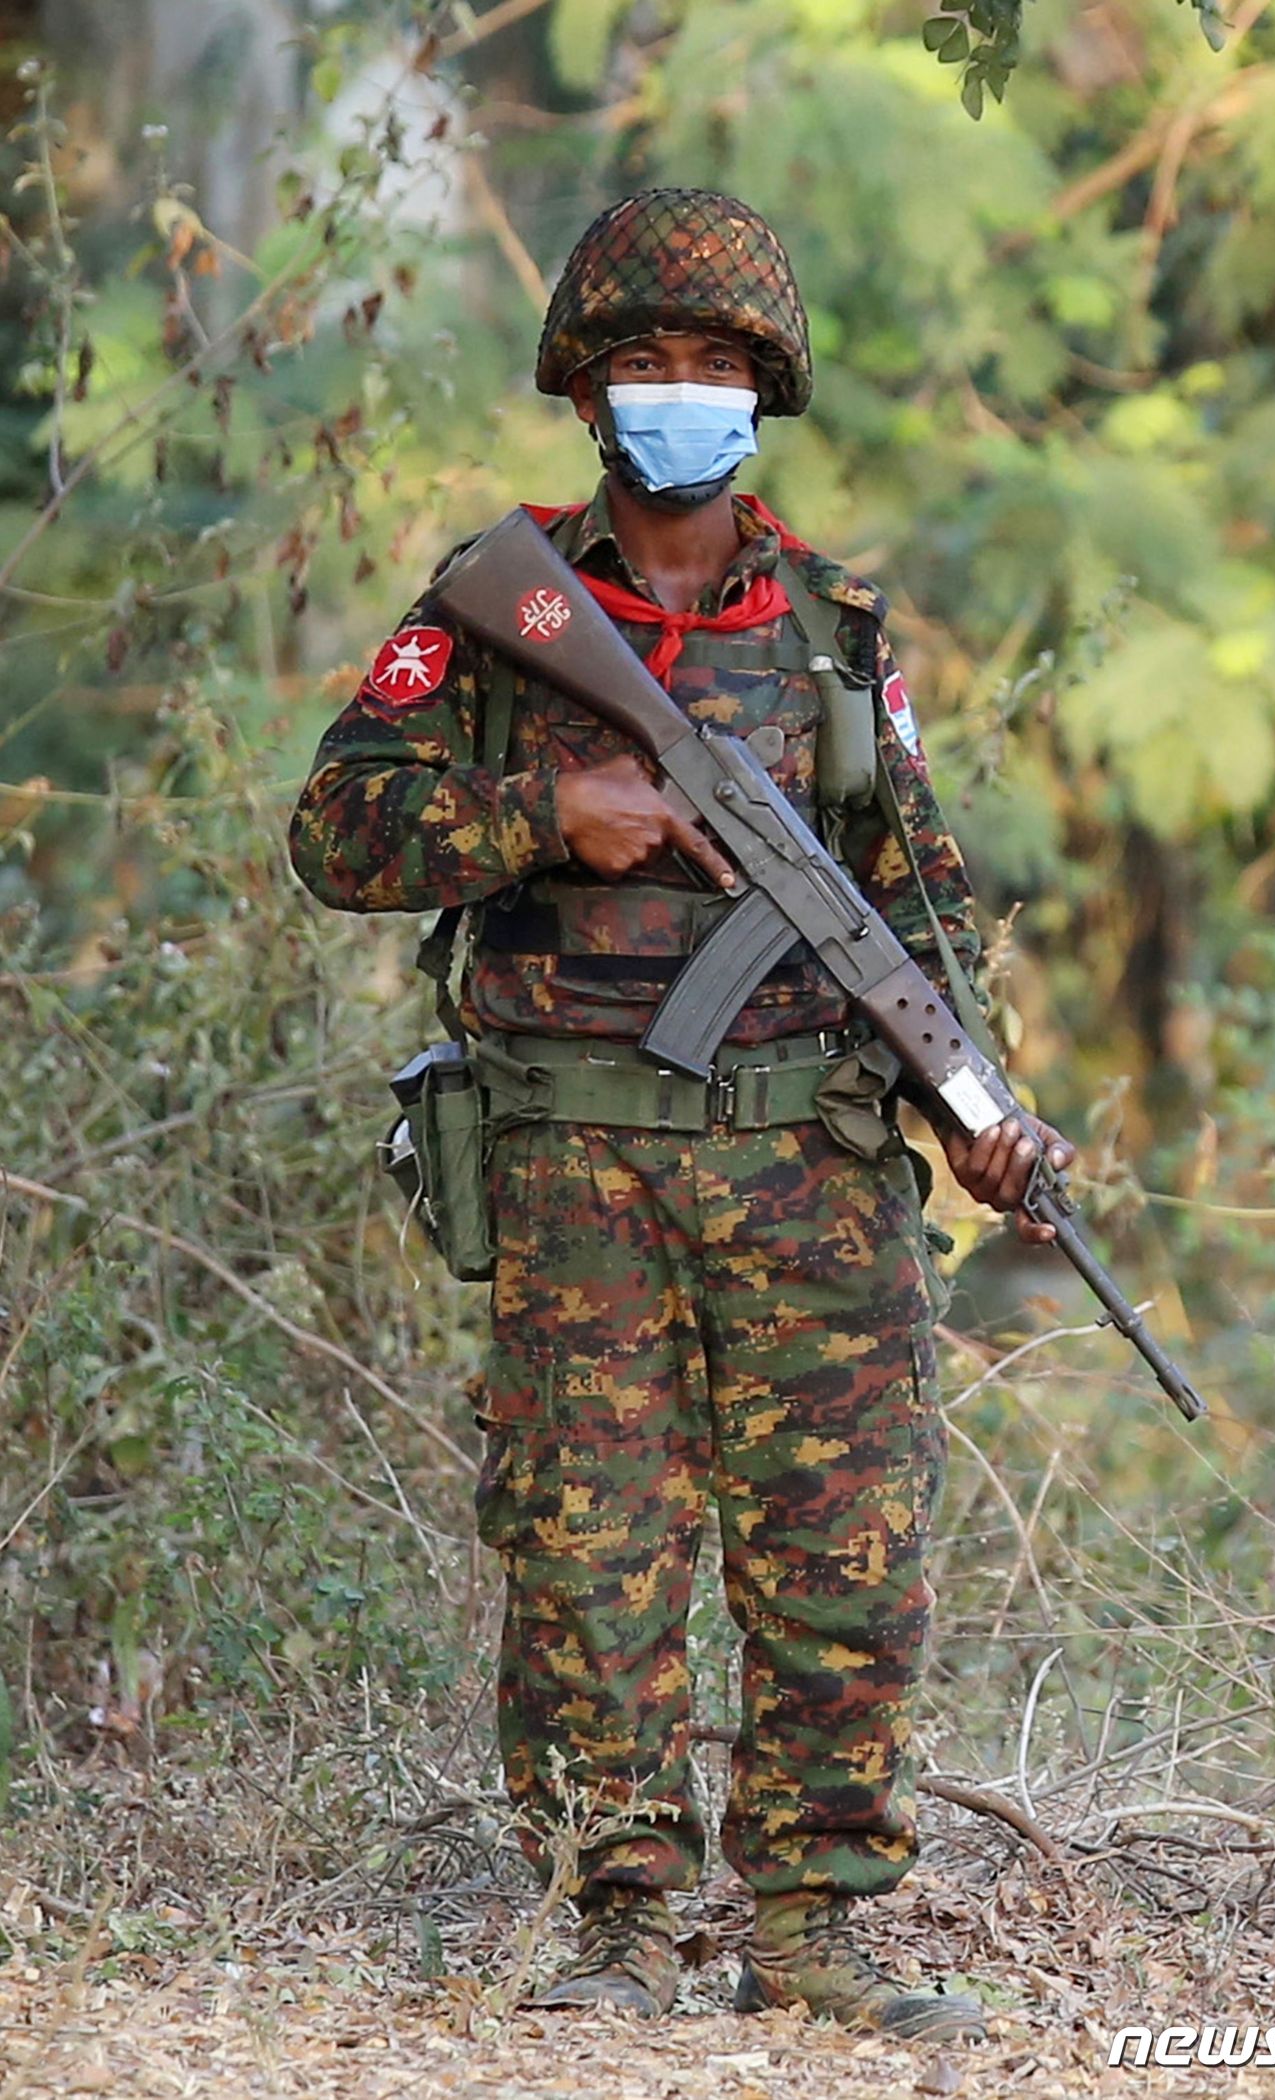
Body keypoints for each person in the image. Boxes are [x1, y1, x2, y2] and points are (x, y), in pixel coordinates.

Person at [288, 189, 1072, 2040]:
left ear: (763, 391)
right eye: (644, 363)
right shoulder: (496, 614)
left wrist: (983, 1105)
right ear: (585, 388)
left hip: (811, 1162)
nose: (678, 394)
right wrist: (546, 818)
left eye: (713, 366)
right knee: (586, 1545)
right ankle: (618, 1923)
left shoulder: (835, 639)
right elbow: (335, 835)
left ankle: (816, 1929)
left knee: (842, 1548)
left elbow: (923, 904)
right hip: (573, 1163)